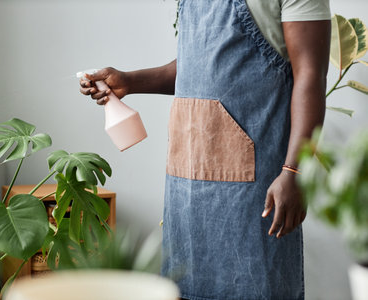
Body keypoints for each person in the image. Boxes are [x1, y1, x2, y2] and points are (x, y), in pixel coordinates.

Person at [79, 0, 331, 299]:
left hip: (254, 194)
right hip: (186, 191)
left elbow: (310, 76)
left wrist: (294, 170)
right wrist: (129, 81)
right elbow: (199, 64)